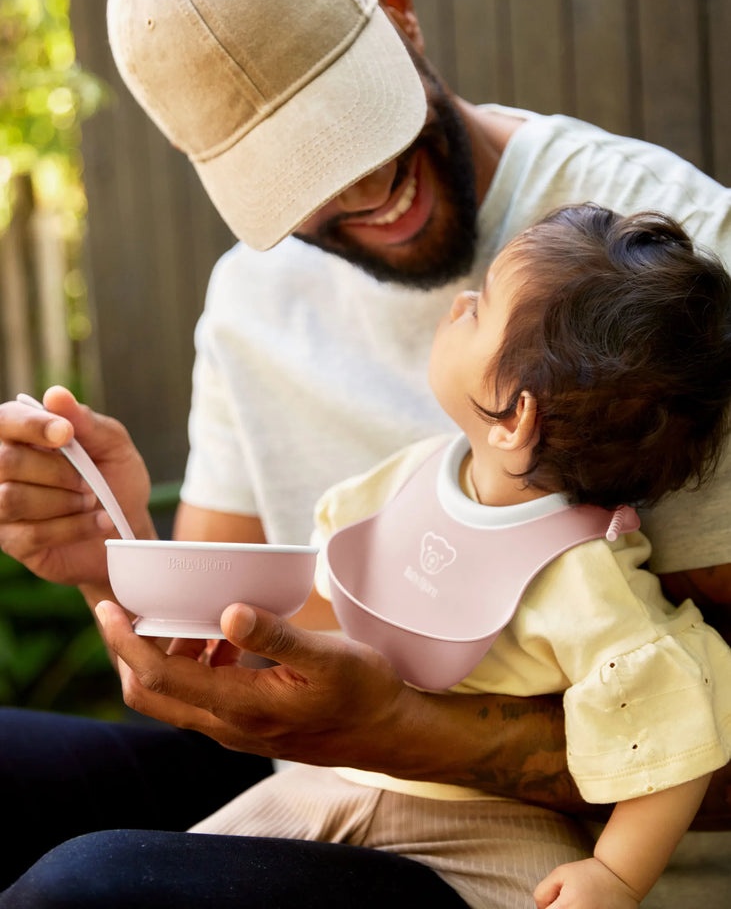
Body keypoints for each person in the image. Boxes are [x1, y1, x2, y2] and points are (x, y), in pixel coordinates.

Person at [0, 0, 728, 902]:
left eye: (354, 122)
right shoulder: (248, 297)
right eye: (292, 169)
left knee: (87, 889)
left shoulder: (663, 288)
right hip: (324, 778)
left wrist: (396, 724)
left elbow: (685, 709)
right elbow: (225, 643)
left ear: (393, 4)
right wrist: (108, 542)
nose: (357, 192)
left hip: (541, 846)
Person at [174, 203, 731, 909]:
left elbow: (672, 728)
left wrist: (616, 875)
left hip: (496, 819)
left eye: (481, 308)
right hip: (335, 778)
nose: (460, 302)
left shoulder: (582, 576)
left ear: (515, 416)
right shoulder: (411, 478)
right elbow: (327, 590)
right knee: (176, 872)